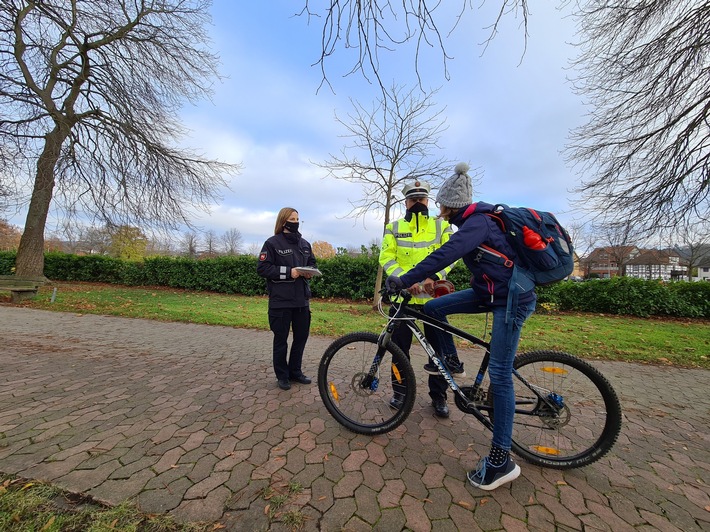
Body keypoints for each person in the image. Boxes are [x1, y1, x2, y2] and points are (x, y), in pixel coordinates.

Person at [386, 162, 537, 491]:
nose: (439, 211)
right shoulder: (472, 221)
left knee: (500, 374)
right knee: (437, 309)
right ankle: (452, 362)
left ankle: (500, 462)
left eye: (441, 205)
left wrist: (406, 279)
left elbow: (445, 255)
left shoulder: (476, 224)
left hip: (510, 299)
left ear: (451, 205)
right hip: (490, 292)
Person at [379, 180, 457, 418]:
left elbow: (452, 255)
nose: (417, 204)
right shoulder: (393, 227)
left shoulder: (441, 225)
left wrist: (434, 277)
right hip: (403, 299)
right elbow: (387, 257)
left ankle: (439, 397)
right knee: (398, 350)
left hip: (433, 299)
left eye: (421, 200)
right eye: (413, 200)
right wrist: (405, 281)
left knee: (438, 352)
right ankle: (400, 392)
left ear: (427, 201)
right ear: (406, 202)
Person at [257, 207, 317, 391]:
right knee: (281, 340)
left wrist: (310, 273)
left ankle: (295, 372)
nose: (296, 221)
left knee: (301, 338)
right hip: (280, 302)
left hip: (301, 301)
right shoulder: (272, 243)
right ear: (284, 221)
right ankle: (282, 376)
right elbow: (263, 268)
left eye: (298, 218)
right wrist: (289, 272)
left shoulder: (305, 244)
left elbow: (312, 263)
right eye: (292, 218)